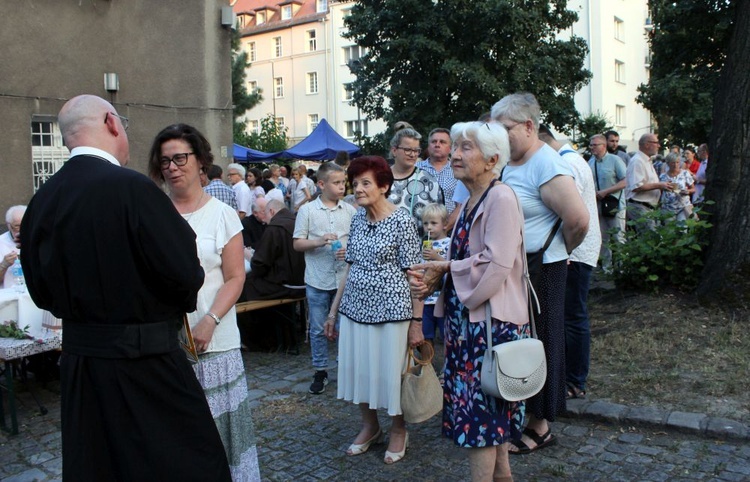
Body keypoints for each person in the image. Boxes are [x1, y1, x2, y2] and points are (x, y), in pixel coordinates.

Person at [20, 94, 231, 481]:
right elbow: (184, 272)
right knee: (182, 465)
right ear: (112, 123)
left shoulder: (41, 201)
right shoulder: (134, 189)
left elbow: (41, 293)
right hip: (145, 362)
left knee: (101, 466)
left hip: (83, 366)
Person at [408, 121, 528, 482]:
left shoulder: (501, 198)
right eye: (455, 147)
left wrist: (445, 268)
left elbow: (495, 265)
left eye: (466, 148)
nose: (455, 154)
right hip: (470, 324)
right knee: (491, 417)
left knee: (483, 421)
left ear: (492, 159)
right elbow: (468, 259)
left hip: (491, 327)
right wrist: (437, 278)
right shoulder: (472, 198)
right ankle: (503, 476)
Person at [148, 124, 260, 481]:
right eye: (165, 161)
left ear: (200, 163)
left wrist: (209, 319)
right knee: (176, 436)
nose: (172, 167)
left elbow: (236, 277)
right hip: (166, 346)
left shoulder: (221, 214)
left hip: (214, 342)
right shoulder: (152, 214)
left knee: (220, 433)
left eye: (180, 158)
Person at [491, 93, 589, 455]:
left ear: (529, 126)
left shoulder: (546, 164)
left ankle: (542, 424)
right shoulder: (513, 162)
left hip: (542, 268)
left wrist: (559, 251)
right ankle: (527, 410)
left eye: (506, 129)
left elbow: (578, 220)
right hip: (520, 267)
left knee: (545, 339)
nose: (500, 137)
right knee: (525, 340)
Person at [323, 156, 424, 465]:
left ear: (383, 186)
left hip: (393, 312)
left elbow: (416, 273)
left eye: (365, 183)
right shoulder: (356, 219)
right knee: (360, 370)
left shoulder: (402, 219)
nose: (358, 189)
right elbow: (349, 267)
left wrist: (417, 322)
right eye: (355, 184)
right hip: (355, 310)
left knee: (392, 374)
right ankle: (370, 426)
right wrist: (333, 313)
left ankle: (398, 428)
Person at [539, 125, 602, 400]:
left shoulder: (566, 164)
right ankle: (570, 378)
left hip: (573, 254)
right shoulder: (569, 158)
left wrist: (564, 250)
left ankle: (575, 381)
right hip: (574, 251)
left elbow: (567, 213)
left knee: (573, 316)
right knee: (569, 316)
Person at [293, 162, 356, 394]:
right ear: (321, 184)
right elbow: (297, 243)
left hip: (343, 279)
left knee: (344, 327)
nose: (342, 187)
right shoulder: (307, 211)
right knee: (318, 328)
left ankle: (344, 369)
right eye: (337, 183)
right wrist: (319, 241)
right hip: (317, 279)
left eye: (343, 182)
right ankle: (320, 370)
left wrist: (347, 250)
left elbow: (356, 243)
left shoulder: (350, 211)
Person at [244, 199, 306, 300]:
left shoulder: (275, 228)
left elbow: (259, 265)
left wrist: (247, 254)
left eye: (266, 214)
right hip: (304, 283)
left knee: (244, 285)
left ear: (272, 211)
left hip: (285, 287)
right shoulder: (298, 221)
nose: (265, 220)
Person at [388, 128, 444, 237]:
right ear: (394, 150)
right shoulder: (380, 179)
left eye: (416, 150)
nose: (413, 155)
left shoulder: (429, 181)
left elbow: (440, 220)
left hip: (421, 250)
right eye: (408, 149)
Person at [588, 134, 627, 271]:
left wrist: (606, 191)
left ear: (603, 146)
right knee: (602, 238)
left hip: (614, 204)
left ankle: (622, 268)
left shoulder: (615, 160)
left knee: (618, 237)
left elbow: (625, 181)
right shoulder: (591, 162)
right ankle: (606, 268)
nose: (592, 147)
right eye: (591, 144)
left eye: (595, 145)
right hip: (598, 205)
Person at [625, 133, 674, 232]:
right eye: (656, 143)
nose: (659, 145)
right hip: (639, 206)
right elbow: (636, 186)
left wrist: (662, 186)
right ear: (647, 144)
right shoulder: (638, 161)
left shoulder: (646, 160)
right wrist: (660, 185)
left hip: (647, 207)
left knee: (650, 239)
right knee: (651, 239)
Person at [418, 203, 451, 346]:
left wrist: (435, 257)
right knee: (426, 335)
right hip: (426, 298)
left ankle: (447, 365)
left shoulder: (450, 242)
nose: (429, 227)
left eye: (433, 223)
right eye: (425, 223)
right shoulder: (424, 244)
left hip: (443, 298)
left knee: (446, 335)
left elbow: (451, 265)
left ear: (445, 224)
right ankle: (427, 365)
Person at [417, 127, 458, 216]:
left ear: (450, 148)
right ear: (428, 146)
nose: (437, 145)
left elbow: (461, 205)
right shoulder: (416, 169)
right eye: (434, 141)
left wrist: (446, 227)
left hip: (450, 227)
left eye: (442, 142)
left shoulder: (458, 170)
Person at [659, 152, 696, 222]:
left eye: (677, 162)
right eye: (673, 163)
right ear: (668, 163)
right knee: (669, 230)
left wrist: (687, 191)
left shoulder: (685, 173)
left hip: (682, 206)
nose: (675, 165)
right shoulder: (663, 176)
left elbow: (693, 189)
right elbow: (660, 192)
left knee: (682, 229)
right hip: (668, 208)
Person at [0, 205, 25, 289]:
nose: (22, 230)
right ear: (9, 225)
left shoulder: (38, 240)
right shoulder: (1, 242)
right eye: (17, 226)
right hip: (10, 298)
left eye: (25, 224)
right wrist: (3, 265)